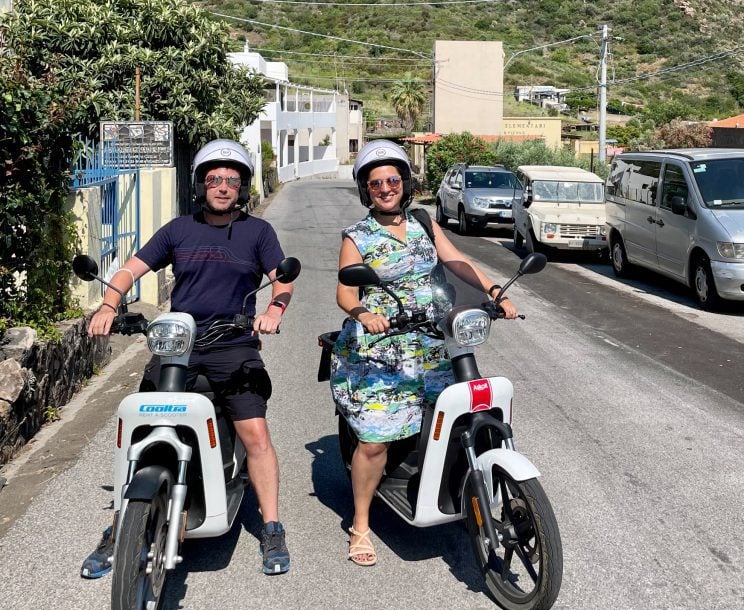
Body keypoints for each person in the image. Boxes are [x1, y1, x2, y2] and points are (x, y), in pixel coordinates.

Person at [85, 139, 295, 576]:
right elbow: (130, 268)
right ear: (201, 184)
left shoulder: (257, 232)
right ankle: (118, 525)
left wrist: (274, 310)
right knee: (141, 429)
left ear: (242, 187)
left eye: (231, 180)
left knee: (255, 432)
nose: (222, 187)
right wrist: (109, 305)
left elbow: (281, 280)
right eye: (214, 179)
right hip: (179, 344)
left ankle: (272, 525)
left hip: (233, 345)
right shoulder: (178, 229)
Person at [331, 140, 519, 566]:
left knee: (459, 415)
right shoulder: (358, 236)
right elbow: (344, 290)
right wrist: (363, 313)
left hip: (433, 339)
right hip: (383, 347)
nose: (385, 188)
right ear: (366, 189)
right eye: (376, 183)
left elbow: (455, 261)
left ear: (404, 182)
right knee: (376, 440)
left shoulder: (421, 221)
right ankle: (360, 524)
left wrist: (493, 292)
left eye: (392, 179)